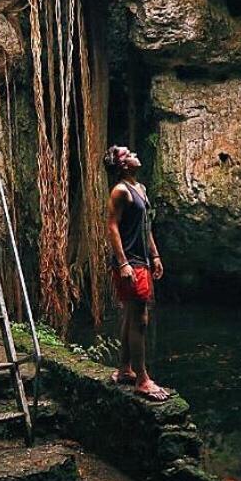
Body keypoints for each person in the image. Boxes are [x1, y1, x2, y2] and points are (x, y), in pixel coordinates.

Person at [104, 143, 171, 401]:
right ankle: (142, 380)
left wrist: (154, 255)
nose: (133, 154)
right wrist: (123, 264)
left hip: (141, 260)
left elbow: (146, 225)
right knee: (140, 318)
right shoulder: (120, 191)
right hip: (130, 262)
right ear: (122, 165)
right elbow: (112, 226)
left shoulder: (139, 189)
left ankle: (124, 369)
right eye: (127, 154)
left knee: (132, 313)